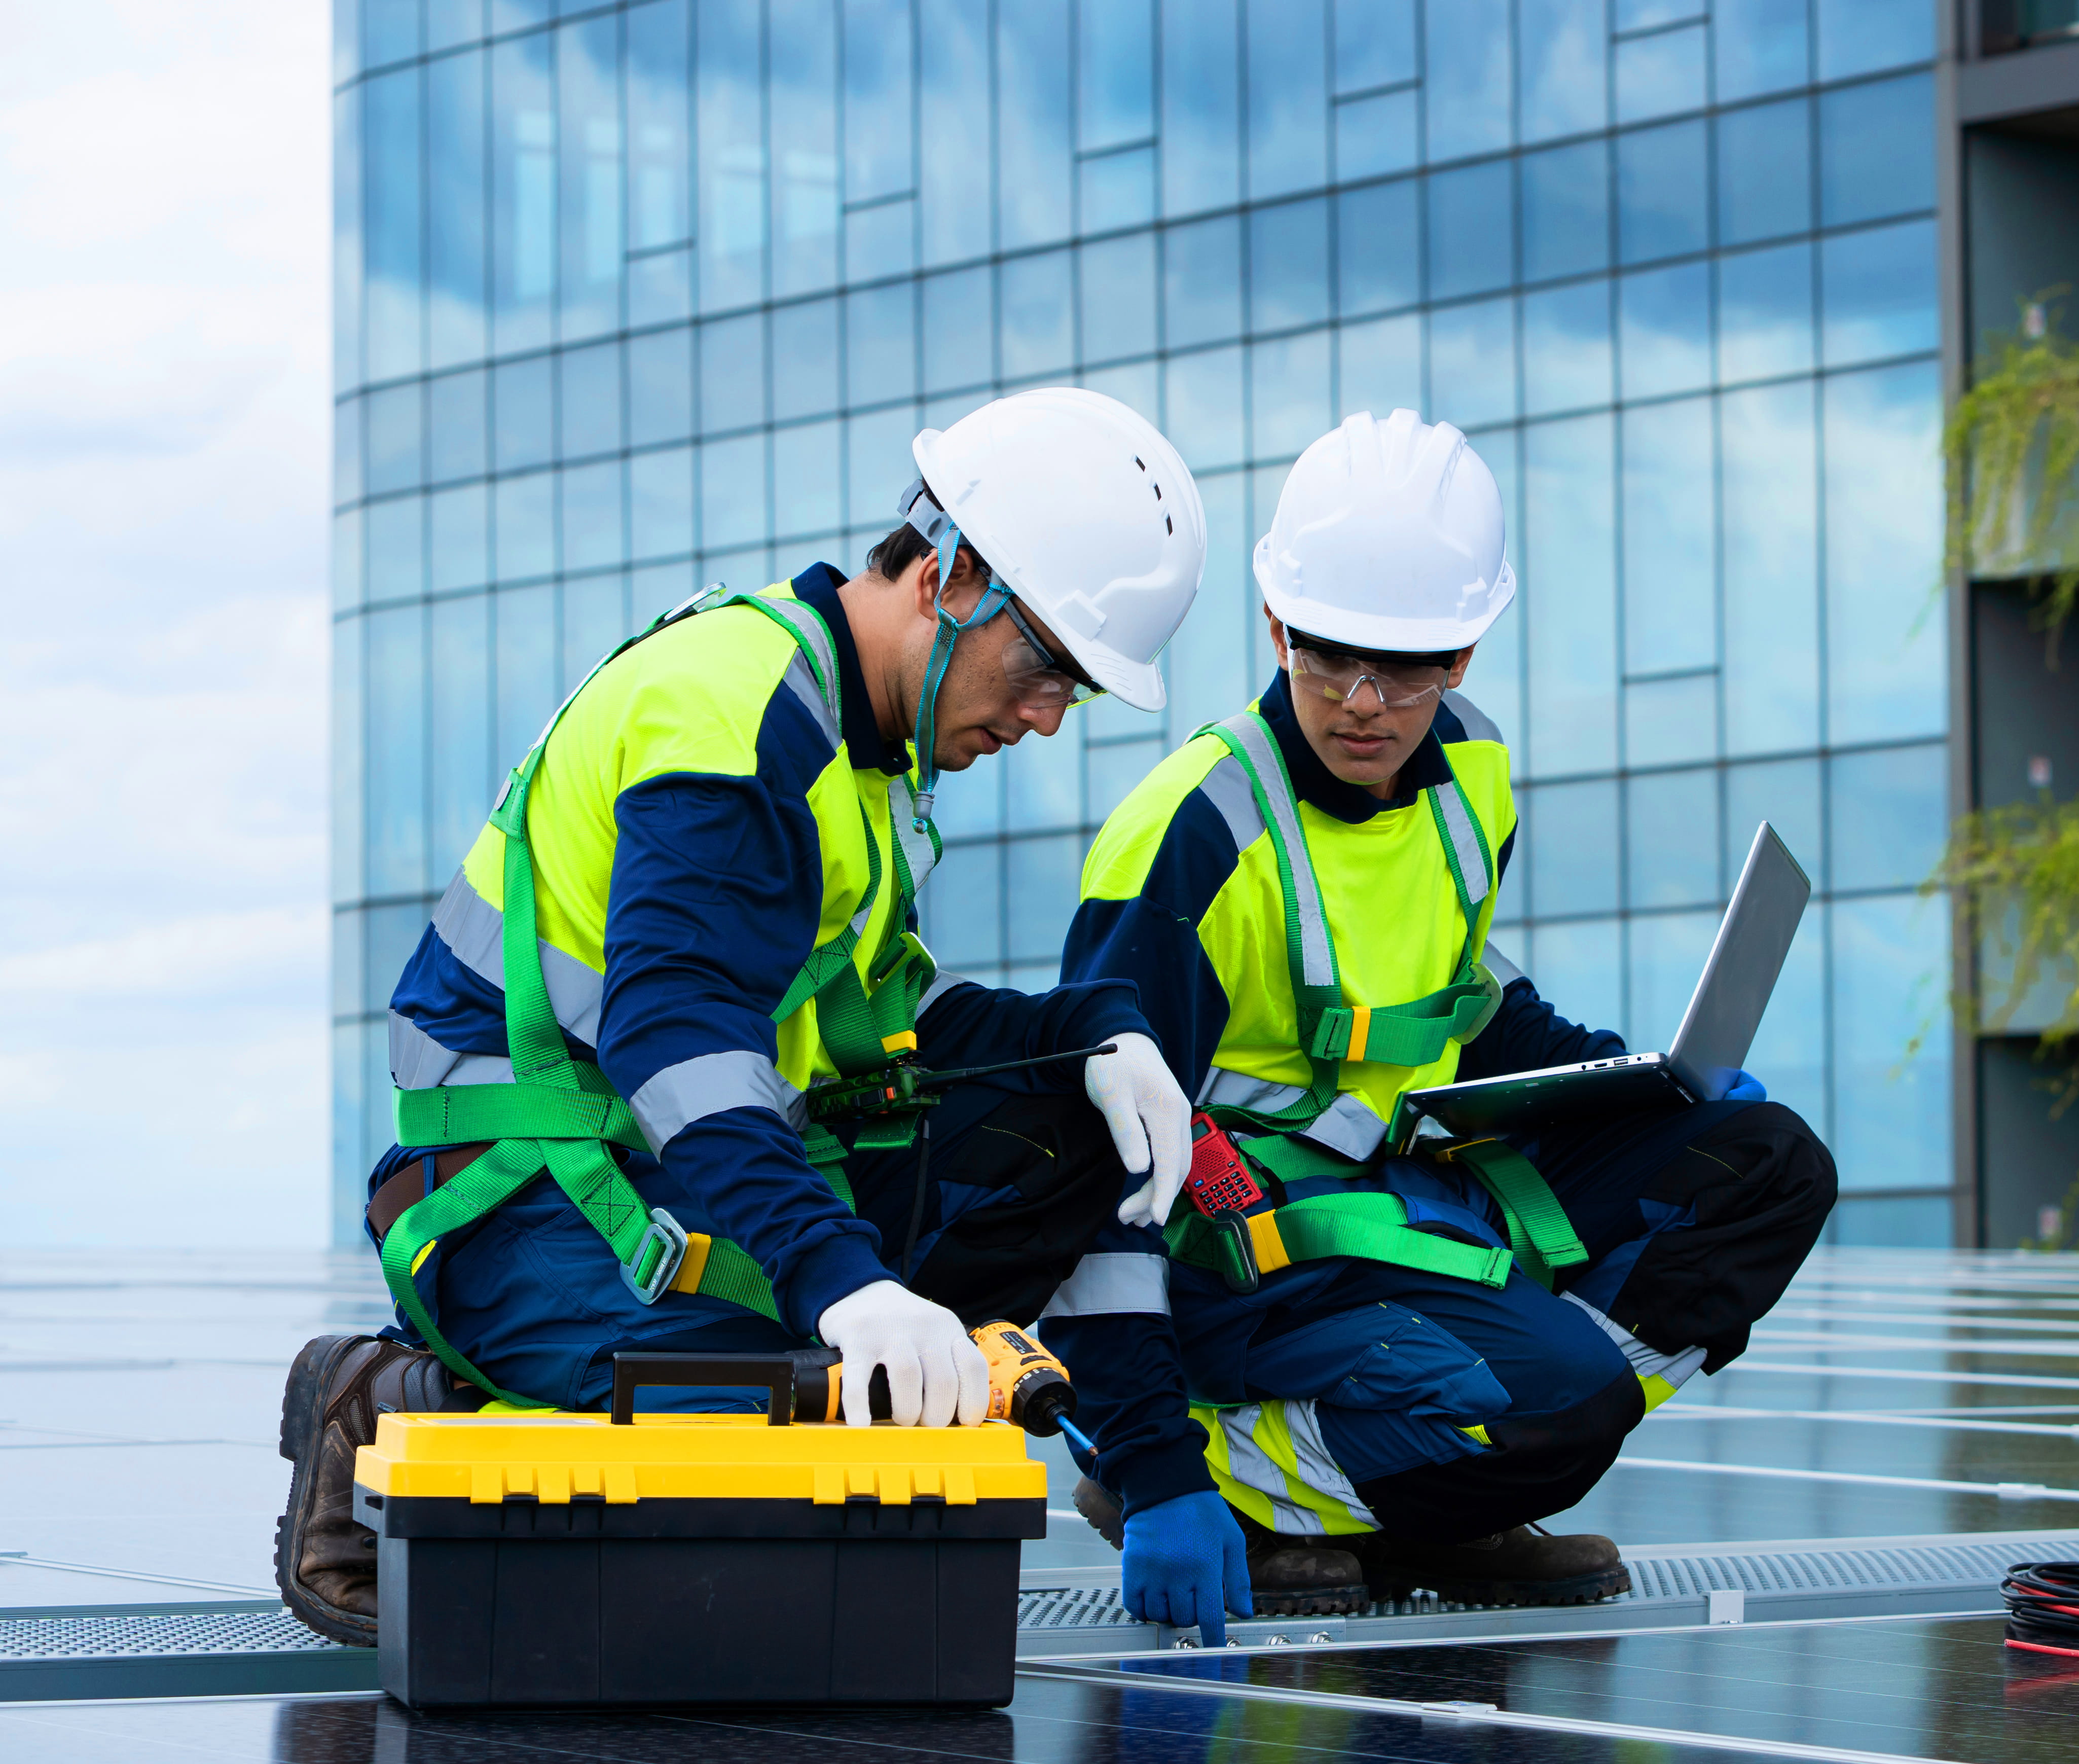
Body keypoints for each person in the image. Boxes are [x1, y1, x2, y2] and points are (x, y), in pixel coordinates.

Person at [276, 389, 1207, 1647]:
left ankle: (804, 1366)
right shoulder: (732, 709)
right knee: (758, 1431)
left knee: (1063, 1123)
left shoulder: (866, 763)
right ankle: (389, 1400)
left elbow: (892, 1038)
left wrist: (1095, 1032)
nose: (1045, 715)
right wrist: (845, 1283)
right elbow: (679, 1039)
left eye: (1075, 692)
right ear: (952, 575)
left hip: (669, 1172)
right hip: (514, 1195)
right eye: (1044, 665)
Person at [1043, 409, 1838, 1646]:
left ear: (1466, 651)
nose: (1365, 704)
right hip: (1240, 1242)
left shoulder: (1474, 771)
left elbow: (1475, 1005)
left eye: (1409, 667)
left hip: (1416, 1181)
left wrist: (1645, 1086)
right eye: (1329, 658)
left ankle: (1438, 1472)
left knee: (1765, 1168)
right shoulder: (1193, 835)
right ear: (1275, 627)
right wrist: (1155, 1468)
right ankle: (1258, 1473)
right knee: (1563, 1399)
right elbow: (1096, 1180)